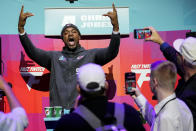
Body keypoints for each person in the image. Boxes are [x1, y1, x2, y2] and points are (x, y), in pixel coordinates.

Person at [18, 3, 120, 109]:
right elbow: (33, 52)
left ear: (79, 36)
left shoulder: (91, 55)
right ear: (63, 38)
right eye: (66, 33)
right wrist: (21, 30)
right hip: (58, 113)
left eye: (74, 32)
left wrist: (116, 28)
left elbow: (111, 52)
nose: (70, 34)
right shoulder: (54, 57)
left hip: (82, 112)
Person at [55, 63, 145, 131]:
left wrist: (75, 111)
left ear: (78, 89)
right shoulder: (128, 113)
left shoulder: (67, 124)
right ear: (106, 85)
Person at [145, 27, 196, 130]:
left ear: (182, 59)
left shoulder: (188, 98)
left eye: (178, 53)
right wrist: (161, 42)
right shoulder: (188, 73)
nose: (175, 55)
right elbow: (174, 57)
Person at [130, 61, 193, 131]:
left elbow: (160, 122)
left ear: (155, 82)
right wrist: (139, 97)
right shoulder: (183, 106)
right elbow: (156, 122)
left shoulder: (165, 117)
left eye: (149, 77)